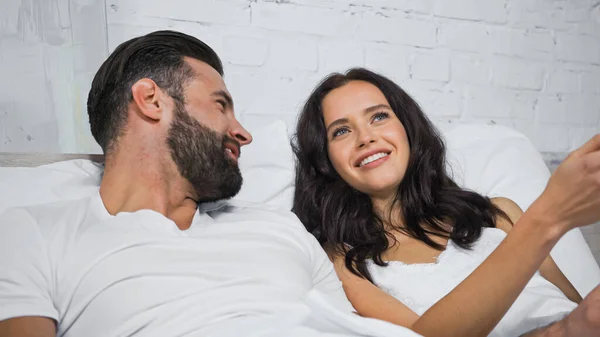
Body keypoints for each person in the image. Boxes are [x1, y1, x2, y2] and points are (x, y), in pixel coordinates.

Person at [0, 30, 597, 337]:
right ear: (151, 102)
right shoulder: (33, 231)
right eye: (223, 105)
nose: (244, 131)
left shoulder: (278, 229)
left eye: (380, 116)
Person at [292, 67, 600, 336]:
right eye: (342, 130)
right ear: (325, 159)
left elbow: (578, 310)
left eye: (379, 116)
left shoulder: (498, 213)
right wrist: (547, 219)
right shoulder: (340, 261)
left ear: (407, 129)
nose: (365, 137)